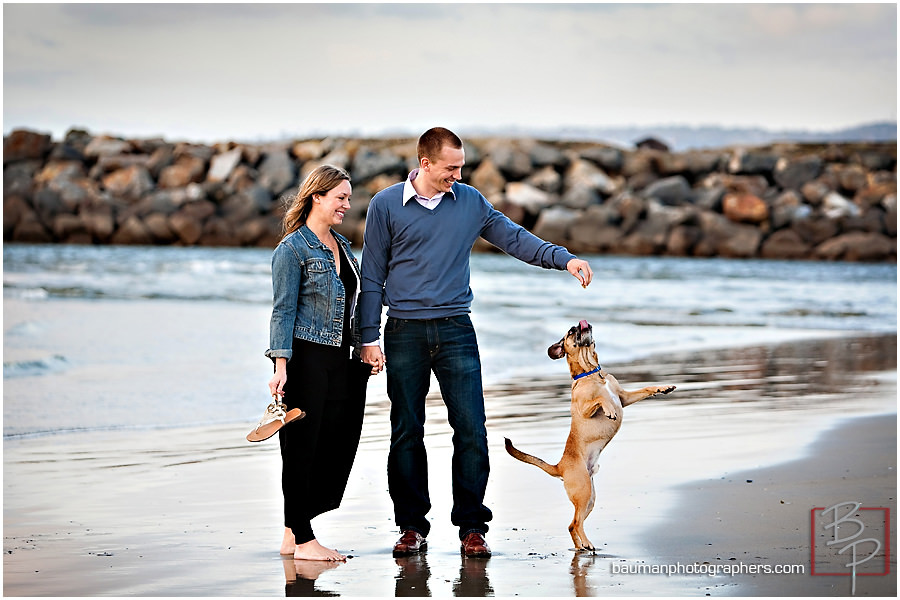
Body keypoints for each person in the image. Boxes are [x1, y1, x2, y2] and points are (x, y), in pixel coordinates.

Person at [359, 127, 593, 557]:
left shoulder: (469, 202)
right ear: (425, 163)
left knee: (471, 429)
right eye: (451, 167)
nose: (458, 174)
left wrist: (565, 258)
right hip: (404, 331)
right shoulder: (386, 204)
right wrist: (368, 337)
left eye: (461, 166)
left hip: (455, 330)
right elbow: (371, 274)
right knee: (406, 431)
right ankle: (411, 527)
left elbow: (516, 239)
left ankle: (472, 528)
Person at [265, 165, 379, 562]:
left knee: (335, 443)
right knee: (301, 450)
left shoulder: (343, 246)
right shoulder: (292, 249)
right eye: (341, 197)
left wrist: (366, 343)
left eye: (349, 197)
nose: (347, 205)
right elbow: (282, 312)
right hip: (306, 358)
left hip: (339, 358)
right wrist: (280, 367)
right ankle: (305, 539)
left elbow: (354, 300)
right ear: (317, 196)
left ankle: (290, 534)